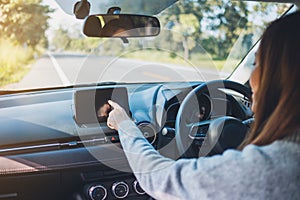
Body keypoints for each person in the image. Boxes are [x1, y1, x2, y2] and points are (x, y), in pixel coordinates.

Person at [106, 11, 300, 199]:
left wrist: (125, 125)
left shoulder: (271, 168)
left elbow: (160, 180)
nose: (251, 78)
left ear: (285, 76)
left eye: (256, 64)